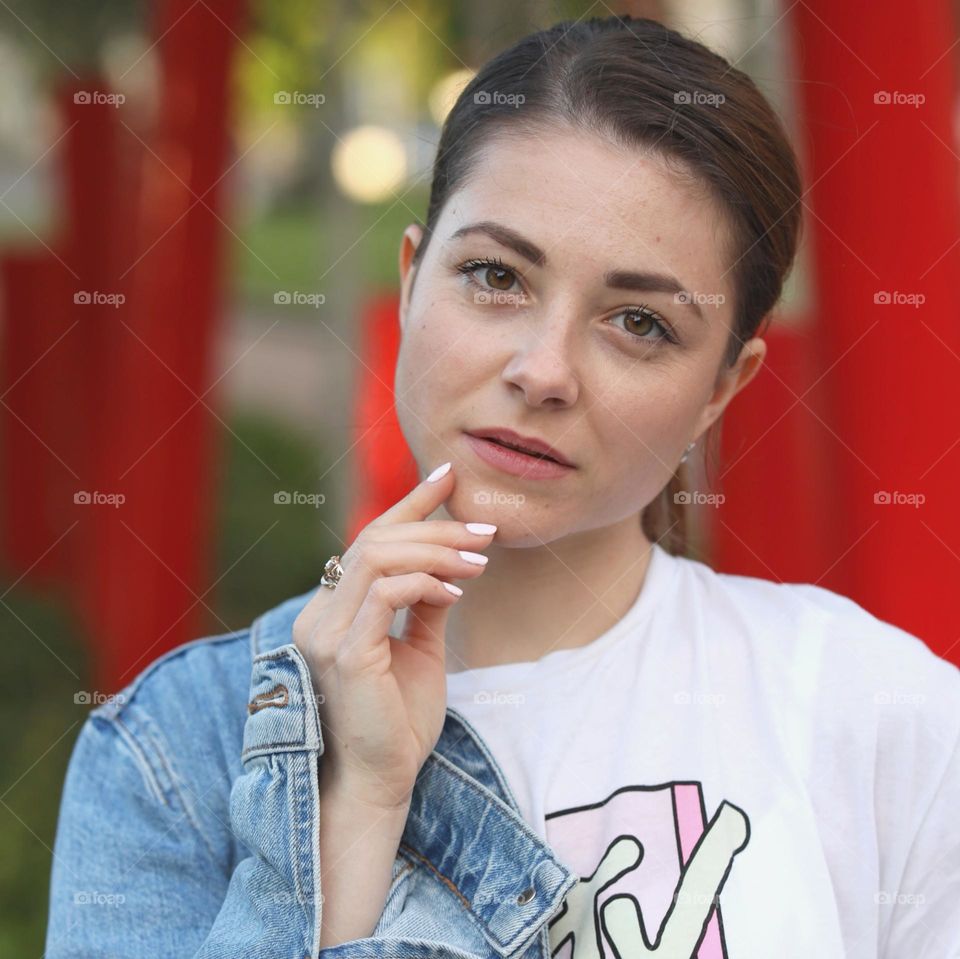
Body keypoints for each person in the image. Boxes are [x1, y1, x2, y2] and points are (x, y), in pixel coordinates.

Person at [45, 14, 960, 959]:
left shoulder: (876, 716)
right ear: (411, 282)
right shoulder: (169, 754)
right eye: (495, 275)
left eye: (639, 323)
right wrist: (354, 811)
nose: (544, 370)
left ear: (722, 389)